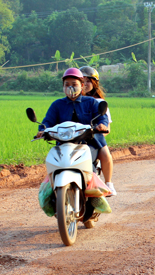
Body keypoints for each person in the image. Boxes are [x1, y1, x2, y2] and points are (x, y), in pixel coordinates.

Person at [36, 68, 114, 199]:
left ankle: (105, 185)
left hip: (88, 143)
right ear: (63, 87)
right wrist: (42, 130)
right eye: (67, 85)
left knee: (102, 154)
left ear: (81, 86)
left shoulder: (92, 102)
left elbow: (102, 118)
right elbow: (48, 121)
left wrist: (102, 124)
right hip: (64, 144)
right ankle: (55, 191)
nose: (70, 87)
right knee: (53, 162)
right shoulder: (57, 105)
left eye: (74, 84)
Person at [79, 65, 117, 196]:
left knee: (105, 153)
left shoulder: (99, 102)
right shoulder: (71, 102)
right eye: (82, 81)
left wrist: (102, 127)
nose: (85, 84)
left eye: (88, 81)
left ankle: (108, 183)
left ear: (94, 83)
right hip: (75, 137)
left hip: (94, 138)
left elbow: (107, 127)